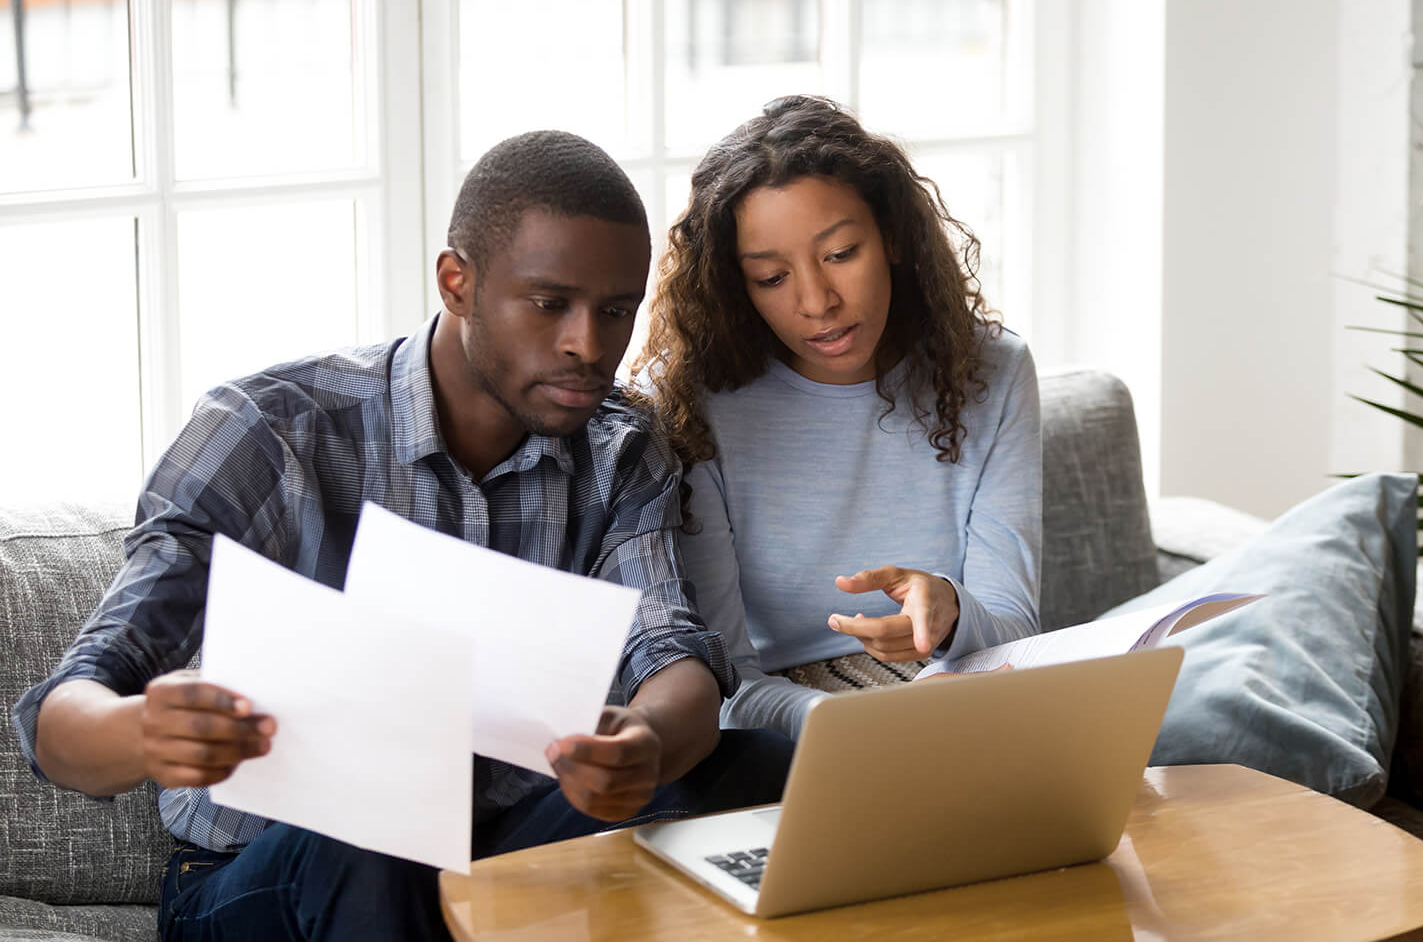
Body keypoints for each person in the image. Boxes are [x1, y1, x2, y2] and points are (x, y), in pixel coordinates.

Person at [11, 131, 794, 941]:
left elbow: (674, 655)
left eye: (617, 310)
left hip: (493, 855)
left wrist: (648, 743)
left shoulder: (619, 447)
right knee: (373, 837)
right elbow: (59, 719)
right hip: (272, 877)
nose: (588, 347)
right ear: (457, 283)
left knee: (762, 769)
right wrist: (142, 729)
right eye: (551, 304)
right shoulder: (268, 434)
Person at [632, 95, 1042, 741]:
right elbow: (722, 681)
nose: (817, 302)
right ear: (734, 286)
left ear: (895, 238)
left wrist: (951, 607)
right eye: (771, 277)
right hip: (783, 723)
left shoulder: (992, 371)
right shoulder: (691, 401)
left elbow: (1015, 631)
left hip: (959, 692)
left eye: (841, 253)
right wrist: (848, 727)